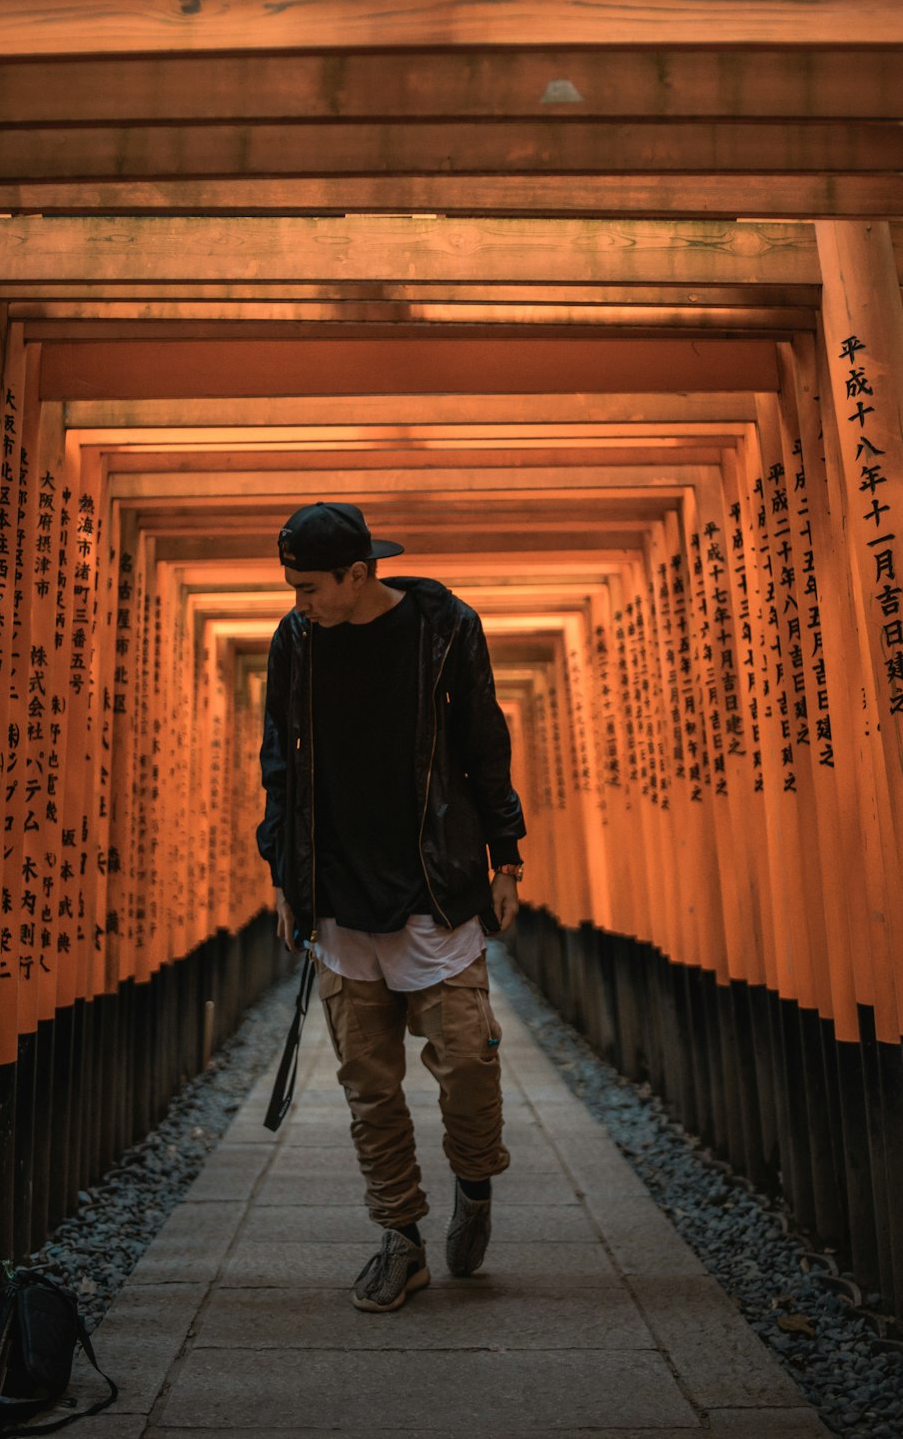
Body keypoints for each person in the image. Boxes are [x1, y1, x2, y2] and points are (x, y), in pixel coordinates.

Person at [257, 501, 526, 1312]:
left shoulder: (444, 627)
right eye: (291, 587)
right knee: (368, 1085)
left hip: (432, 883)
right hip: (338, 891)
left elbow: (484, 739)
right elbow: (279, 760)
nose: (299, 601)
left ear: (358, 573)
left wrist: (505, 853)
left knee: (470, 1064)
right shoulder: (295, 641)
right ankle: (400, 1238)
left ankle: (474, 1181)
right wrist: (283, 873)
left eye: (309, 587)